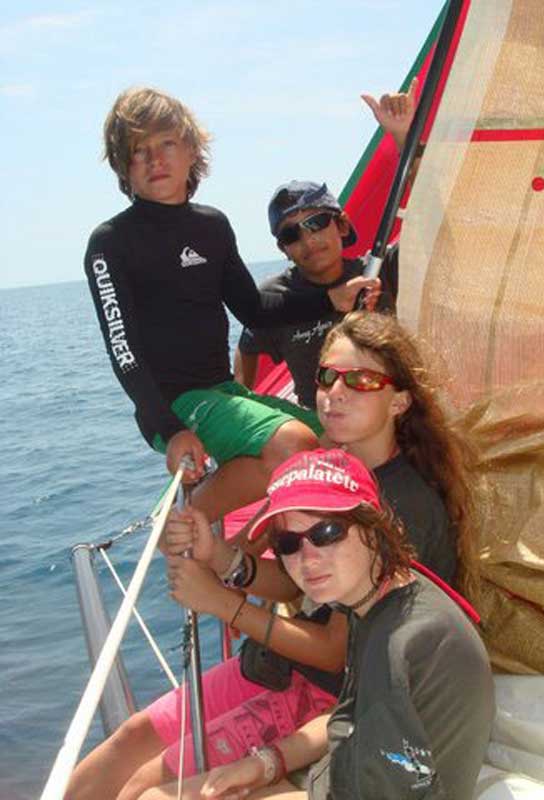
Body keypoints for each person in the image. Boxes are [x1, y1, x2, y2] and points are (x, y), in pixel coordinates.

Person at [66, 312, 476, 800]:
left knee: (145, 788)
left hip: (326, 689)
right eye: (326, 377)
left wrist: (222, 604)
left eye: (361, 380)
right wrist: (221, 556)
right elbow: (294, 579)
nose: (334, 393)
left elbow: (335, 651)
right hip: (278, 664)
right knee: (131, 737)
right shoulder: (330, 470)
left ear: (401, 400)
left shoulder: (400, 508)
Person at [84, 86, 377, 520]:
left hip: (223, 391)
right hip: (173, 404)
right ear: (123, 166)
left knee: (342, 437)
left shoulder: (212, 226)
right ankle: (185, 526)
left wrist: (329, 299)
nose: (155, 159)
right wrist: (171, 429)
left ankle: (244, 541)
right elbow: (123, 351)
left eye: (166, 143)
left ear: (191, 150)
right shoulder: (110, 243)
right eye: (138, 150)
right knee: (294, 444)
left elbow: (254, 310)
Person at [140, 448, 495, 800]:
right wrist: (267, 763)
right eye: (288, 543)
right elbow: (348, 716)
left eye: (327, 533)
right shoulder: (376, 600)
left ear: (373, 528)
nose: (307, 559)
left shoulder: (411, 641)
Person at [234, 82, 419, 408]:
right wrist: (244, 406)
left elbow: (430, 219)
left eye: (316, 223)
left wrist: (403, 136)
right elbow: (248, 347)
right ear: (283, 250)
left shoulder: (381, 270)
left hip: (391, 414)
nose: (308, 240)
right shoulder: (275, 297)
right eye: (291, 235)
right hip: (323, 423)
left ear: (342, 225)